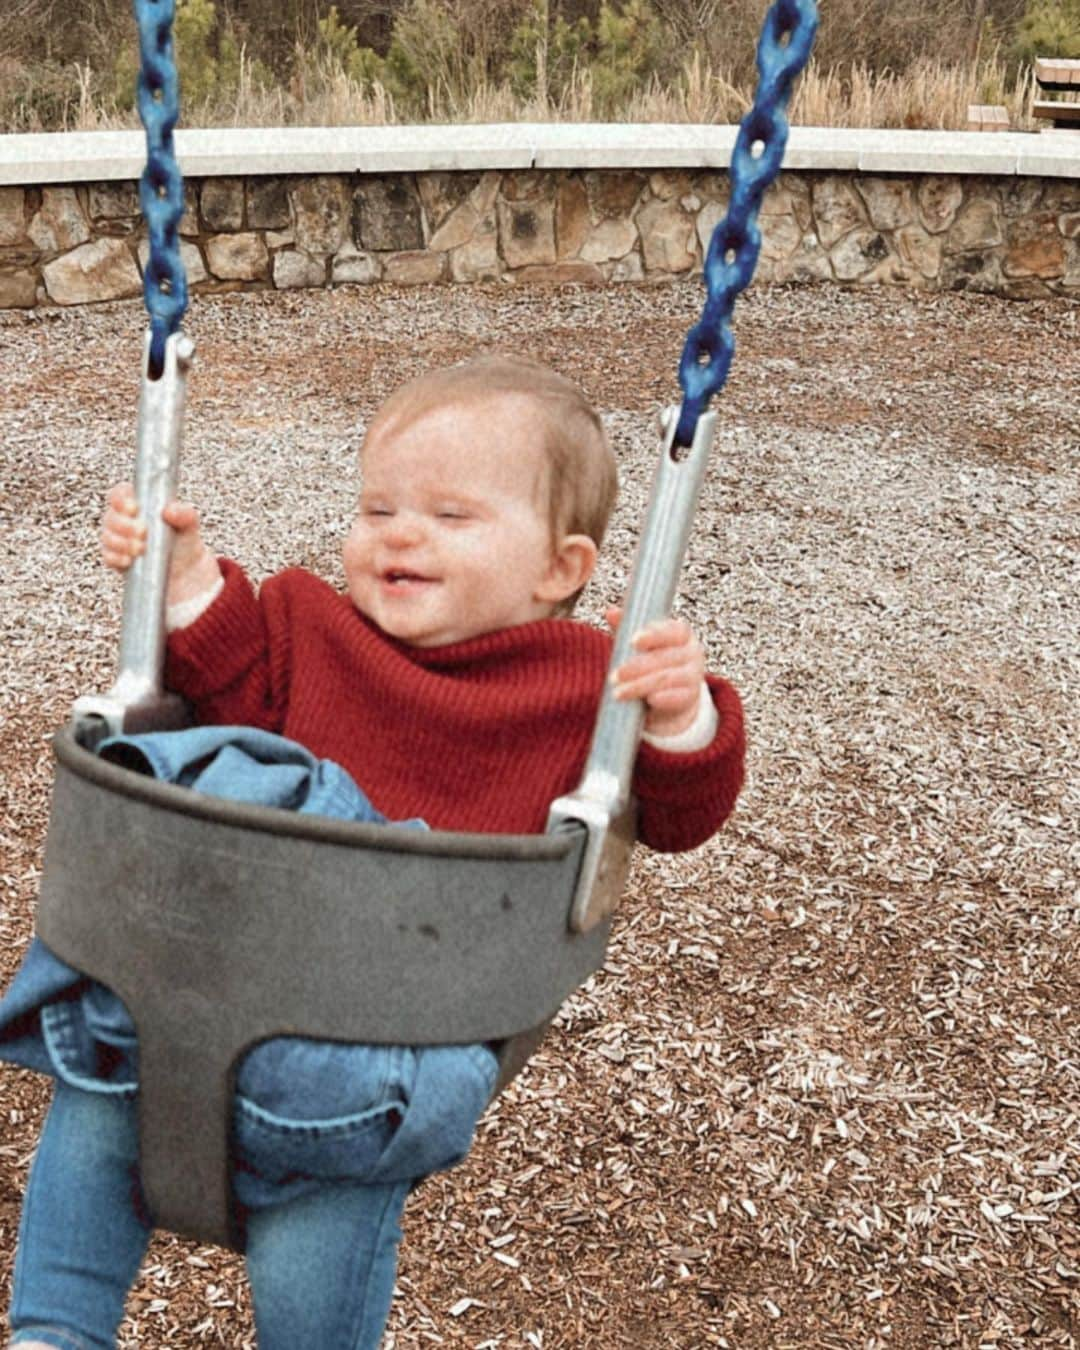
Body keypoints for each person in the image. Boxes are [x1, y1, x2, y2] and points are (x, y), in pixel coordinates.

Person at [3, 355, 745, 1350]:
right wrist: (179, 581)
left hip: (384, 1043)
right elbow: (228, 699)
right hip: (218, 980)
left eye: (450, 516)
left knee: (326, 1228)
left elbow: (678, 813)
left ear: (559, 569)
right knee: (100, 1064)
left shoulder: (590, 687)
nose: (400, 533)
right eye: (378, 507)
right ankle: (55, 1331)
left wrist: (680, 714)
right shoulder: (310, 623)